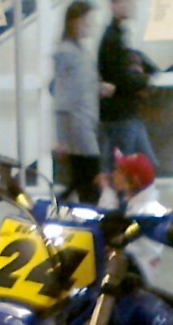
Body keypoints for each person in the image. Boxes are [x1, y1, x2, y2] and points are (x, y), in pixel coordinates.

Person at [53, 1, 112, 205]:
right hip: (78, 127)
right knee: (90, 180)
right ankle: (87, 216)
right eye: (89, 21)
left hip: (85, 122)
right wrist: (61, 138)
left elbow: (80, 85)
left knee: (80, 180)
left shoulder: (80, 51)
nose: (92, 25)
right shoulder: (67, 53)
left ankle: (60, 208)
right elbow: (62, 95)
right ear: (75, 22)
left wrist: (98, 87)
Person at [98, 0, 158, 173]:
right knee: (127, 167)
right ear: (114, 5)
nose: (129, 5)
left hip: (125, 112)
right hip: (121, 113)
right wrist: (142, 80)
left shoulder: (118, 35)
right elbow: (119, 77)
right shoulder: (113, 38)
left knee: (142, 165)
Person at [97, 149, 166, 282]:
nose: (113, 174)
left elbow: (107, 223)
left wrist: (107, 190)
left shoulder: (147, 213)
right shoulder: (135, 202)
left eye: (118, 172)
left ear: (132, 181)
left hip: (131, 276)